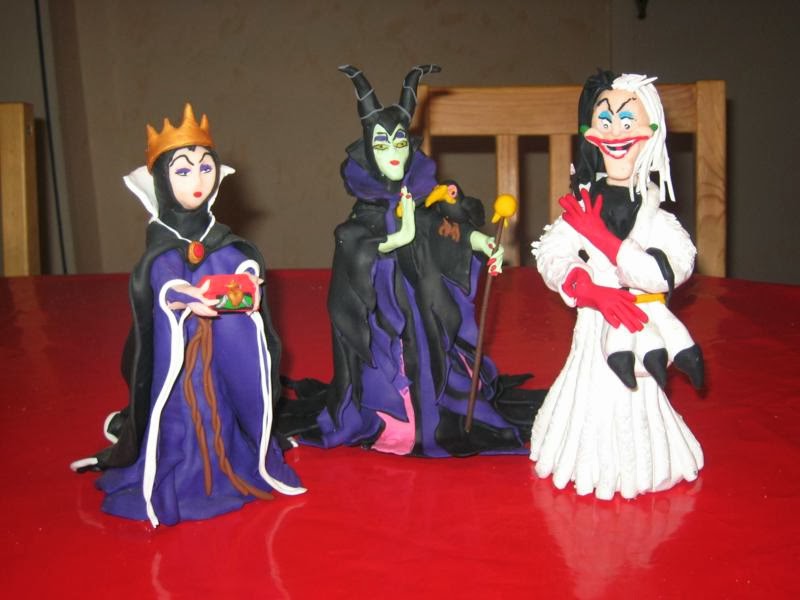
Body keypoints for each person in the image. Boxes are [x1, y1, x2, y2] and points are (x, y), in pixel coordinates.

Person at [282, 65, 541, 457]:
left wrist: (479, 240)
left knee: (438, 360)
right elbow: (353, 246)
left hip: (425, 309)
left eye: (400, 143)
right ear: (368, 151)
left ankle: (439, 406)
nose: (393, 154)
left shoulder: (422, 197)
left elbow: (439, 229)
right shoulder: (364, 210)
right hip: (387, 320)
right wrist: (395, 239)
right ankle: (393, 423)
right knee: (392, 369)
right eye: (383, 145)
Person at [70, 104, 304, 526]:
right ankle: (186, 475)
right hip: (180, 357)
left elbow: (236, 261)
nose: (197, 181)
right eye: (183, 171)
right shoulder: (162, 240)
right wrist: (184, 296)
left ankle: (229, 461)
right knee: (183, 413)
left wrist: (247, 282)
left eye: (205, 168)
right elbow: (160, 278)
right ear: (162, 179)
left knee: (221, 407)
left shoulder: (219, 236)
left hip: (217, 355)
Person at [530, 71, 704, 499]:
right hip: (592, 330)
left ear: (652, 132)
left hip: (643, 322)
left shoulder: (660, 221)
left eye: (628, 122)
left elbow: (669, 270)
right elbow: (552, 252)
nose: (615, 133)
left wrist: (605, 241)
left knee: (637, 396)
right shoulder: (582, 206)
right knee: (590, 396)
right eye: (604, 122)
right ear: (590, 133)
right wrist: (589, 290)